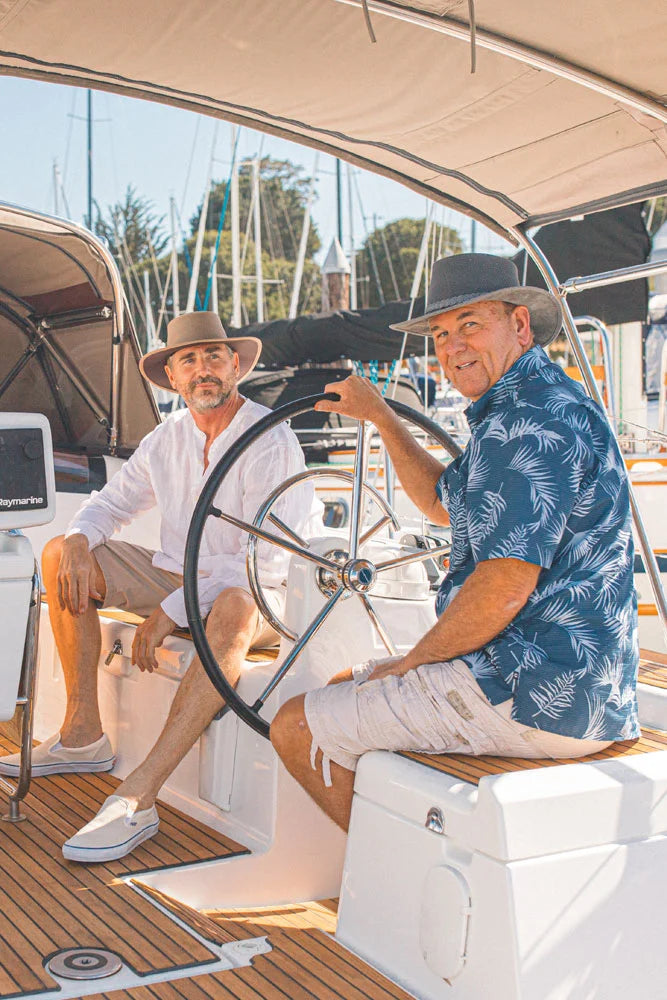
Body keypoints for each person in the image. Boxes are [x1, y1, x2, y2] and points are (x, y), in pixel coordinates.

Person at [270, 253, 640, 832]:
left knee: (296, 724)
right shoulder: (527, 406)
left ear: (519, 325)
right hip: (582, 685)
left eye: (470, 324)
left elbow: (501, 592)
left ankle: (395, 896)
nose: (452, 346)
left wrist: (413, 663)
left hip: (539, 695)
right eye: (441, 334)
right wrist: (386, 422)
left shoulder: (529, 424)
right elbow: (446, 504)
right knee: (348, 682)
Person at [0, 312, 320, 862]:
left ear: (236, 366)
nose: (204, 371)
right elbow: (110, 504)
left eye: (214, 357)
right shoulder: (166, 439)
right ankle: (82, 734)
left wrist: (172, 609)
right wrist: (80, 536)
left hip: (265, 593)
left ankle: (139, 795)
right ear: (172, 377)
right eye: (189, 361)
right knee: (59, 555)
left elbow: (265, 560)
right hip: (180, 574)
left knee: (235, 607)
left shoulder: (271, 439)